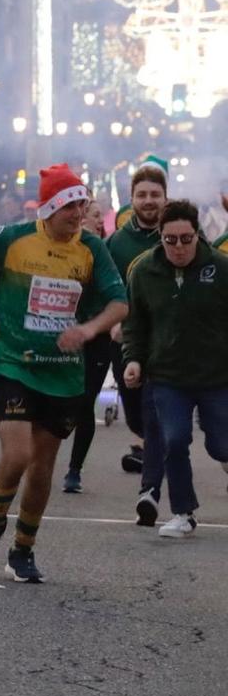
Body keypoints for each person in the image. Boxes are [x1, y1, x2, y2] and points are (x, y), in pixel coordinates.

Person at [0, 164, 127, 583]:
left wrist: (89, 329)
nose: (78, 214)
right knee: (17, 455)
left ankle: (23, 548)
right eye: (70, 206)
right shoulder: (13, 239)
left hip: (63, 375)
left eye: (82, 205)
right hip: (15, 365)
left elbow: (118, 303)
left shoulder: (92, 249)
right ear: (50, 208)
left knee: (41, 468)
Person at [121, 199, 228, 539]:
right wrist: (133, 360)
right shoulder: (143, 271)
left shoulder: (221, 268)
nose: (179, 247)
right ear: (160, 238)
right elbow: (135, 324)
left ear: (198, 234)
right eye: (170, 240)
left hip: (216, 376)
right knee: (174, 440)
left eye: (186, 238)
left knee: (222, 447)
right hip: (166, 376)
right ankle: (183, 512)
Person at [92, 167, 168, 508]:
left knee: (159, 410)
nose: (149, 201)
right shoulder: (116, 242)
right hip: (124, 341)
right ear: (132, 199)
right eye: (142, 195)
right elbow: (101, 286)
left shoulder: (180, 235)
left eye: (155, 194)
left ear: (165, 198)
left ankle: (152, 487)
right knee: (136, 414)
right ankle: (152, 452)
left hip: (169, 342)